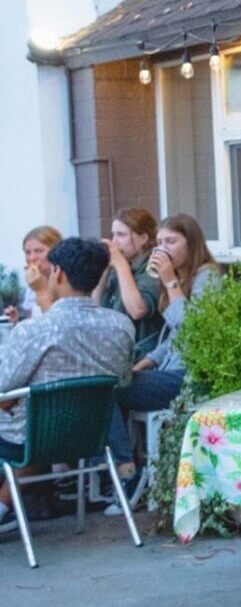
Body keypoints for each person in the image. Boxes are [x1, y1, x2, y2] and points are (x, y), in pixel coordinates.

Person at [0, 237, 135, 533]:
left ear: (57, 273)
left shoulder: (35, 330)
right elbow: (123, 381)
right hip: (91, 436)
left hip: (29, 437)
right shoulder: (121, 325)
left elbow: (3, 389)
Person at [106, 214, 223, 485]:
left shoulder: (208, 277)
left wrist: (170, 283)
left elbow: (194, 329)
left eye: (171, 241)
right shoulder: (181, 277)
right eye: (159, 242)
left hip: (190, 376)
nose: (163, 249)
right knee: (110, 384)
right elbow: (174, 338)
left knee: (108, 389)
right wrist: (144, 362)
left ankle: (128, 473)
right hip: (169, 370)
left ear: (191, 243)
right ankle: (125, 467)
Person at [99, 208, 164, 359]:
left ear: (143, 238)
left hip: (142, 355)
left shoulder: (154, 266)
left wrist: (120, 265)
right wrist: (104, 270)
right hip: (113, 350)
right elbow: (95, 304)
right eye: (113, 234)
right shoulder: (120, 264)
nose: (115, 241)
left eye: (121, 235)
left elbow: (137, 310)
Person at [4, 226, 61, 323]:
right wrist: (16, 322)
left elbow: (59, 324)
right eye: (27, 252)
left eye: (39, 251)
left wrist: (41, 291)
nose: (32, 258)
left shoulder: (66, 282)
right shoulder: (33, 282)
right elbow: (33, 323)